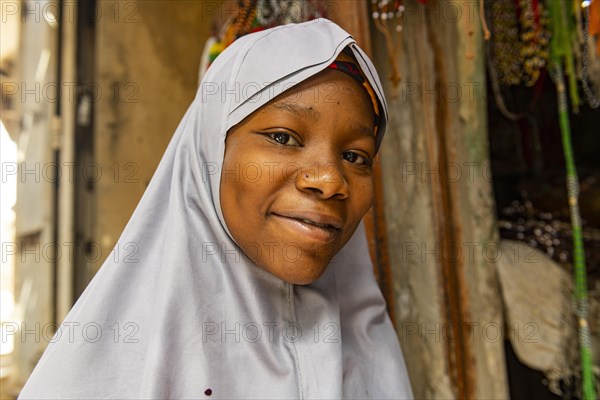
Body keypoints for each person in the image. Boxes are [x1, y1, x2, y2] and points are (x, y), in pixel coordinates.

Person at [18, 19, 413, 399]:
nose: (329, 179)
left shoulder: (368, 347)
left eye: (355, 156)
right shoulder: (108, 368)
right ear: (211, 152)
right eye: (283, 137)